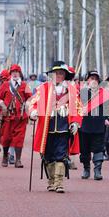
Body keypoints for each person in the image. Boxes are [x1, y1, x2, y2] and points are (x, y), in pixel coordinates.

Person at [29, 61, 82, 193]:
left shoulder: (71, 90)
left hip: (64, 127)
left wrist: (75, 122)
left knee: (61, 155)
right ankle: (51, 181)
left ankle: (59, 182)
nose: (58, 75)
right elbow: (33, 102)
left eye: (61, 73)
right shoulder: (43, 88)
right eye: (56, 73)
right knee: (48, 155)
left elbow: (78, 108)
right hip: (47, 127)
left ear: (65, 75)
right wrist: (33, 111)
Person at [79, 71, 109, 180]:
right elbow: (76, 107)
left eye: (95, 79)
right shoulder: (82, 93)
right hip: (85, 125)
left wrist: (108, 119)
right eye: (91, 78)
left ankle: (97, 170)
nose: (93, 80)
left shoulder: (105, 93)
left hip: (99, 125)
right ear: (87, 80)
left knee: (98, 149)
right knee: (84, 150)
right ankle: (86, 169)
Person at [0, 64, 32, 168]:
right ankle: (5, 156)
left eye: (17, 72)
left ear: (20, 73)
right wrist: (2, 105)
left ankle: (18, 160)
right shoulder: (5, 85)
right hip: (8, 115)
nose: (15, 74)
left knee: (19, 138)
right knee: (7, 137)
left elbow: (30, 98)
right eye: (13, 72)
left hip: (20, 116)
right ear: (10, 74)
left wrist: (27, 105)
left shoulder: (24, 85)